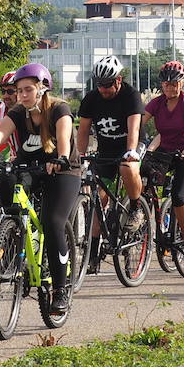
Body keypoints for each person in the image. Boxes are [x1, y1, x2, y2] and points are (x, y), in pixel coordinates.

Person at [0, 62, 80, 315]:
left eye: (27, 90)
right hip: (30, 168)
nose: (21, 96)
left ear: (42, 89)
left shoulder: (58, 109)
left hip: (62, 170)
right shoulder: (19, 112)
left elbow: (63, 138)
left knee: (52, 221)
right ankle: (16, 249)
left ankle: (60, 289)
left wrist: (61, 157)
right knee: (10, 196)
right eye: (18, 90)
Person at [74, 56, 143, 274]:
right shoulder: (91, 99)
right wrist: (80, 157)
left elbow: (134, 128)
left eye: (107, 84)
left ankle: (135, 207)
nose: (102, 89)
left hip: (131, 146)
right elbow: (83, 131)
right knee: (98, 199)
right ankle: (92, 254)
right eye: (99, 84)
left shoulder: (131, 96)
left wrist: (131, 151)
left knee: (127, 167)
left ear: (118, 80)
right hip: (105, 150)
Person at [140, 61, 184, 263]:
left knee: (178, 194)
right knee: (142, 179)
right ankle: (142, 222)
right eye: (167, 84)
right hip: (165, 151)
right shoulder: (157, 103)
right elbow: (138, 122)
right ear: (162, 85)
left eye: (175, 83)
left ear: (181, 83)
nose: (170, 88)